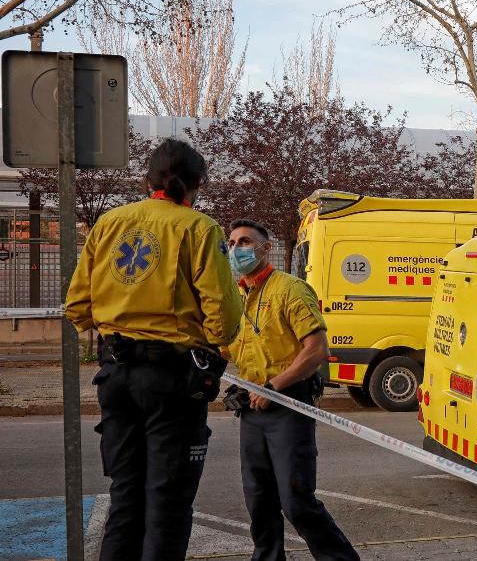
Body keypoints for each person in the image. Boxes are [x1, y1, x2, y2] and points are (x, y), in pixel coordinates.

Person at [65, 139, 243, 561]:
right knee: (168, 501)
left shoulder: (108, 224)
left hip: (116, 375)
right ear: (197, 182)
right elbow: (224, 315)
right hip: (171, 381)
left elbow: (76, 307)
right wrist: (212, 343)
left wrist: (113, 324)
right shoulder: (199, 228)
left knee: (125, 496)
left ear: (147, 180)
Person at [224, 219, 358, 561]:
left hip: (288, 406)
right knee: (259, 500)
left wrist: (274, 387)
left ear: (266, 249)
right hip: (252, 410)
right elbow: (224, 348)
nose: (237, 249)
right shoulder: (235, 296)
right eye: (232, 242)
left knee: (296, 501)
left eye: (244, 242)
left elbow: (316, 349)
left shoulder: (290, 289)